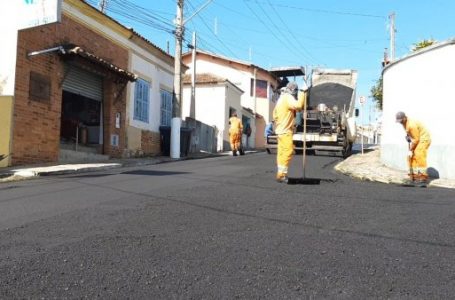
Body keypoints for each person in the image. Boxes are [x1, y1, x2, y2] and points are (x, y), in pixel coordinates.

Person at [273, 81, 307, 183]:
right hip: (285, 130)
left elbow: (274, 114)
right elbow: (298, 105)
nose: (295, 94)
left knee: (281, 153)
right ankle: (282, 175)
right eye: (296, 91)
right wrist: (303, 92)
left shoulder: (281, 98)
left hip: (279, 130)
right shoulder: (288, 97)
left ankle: (280, 174)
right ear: (293, 90)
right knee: (288, 151)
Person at [396, 111, 431, 183]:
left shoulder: (411, 125)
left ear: (405, 118)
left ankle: (423, 177)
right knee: (410, 157)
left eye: (401, 120)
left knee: (419, 154)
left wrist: (411, 149)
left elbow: (416, 139)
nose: (400, 122)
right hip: (418, 139)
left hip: (424, 139)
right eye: (399, 121)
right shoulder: (404, 123)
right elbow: (411, 133)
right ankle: (414, 176)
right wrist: (408, 136)